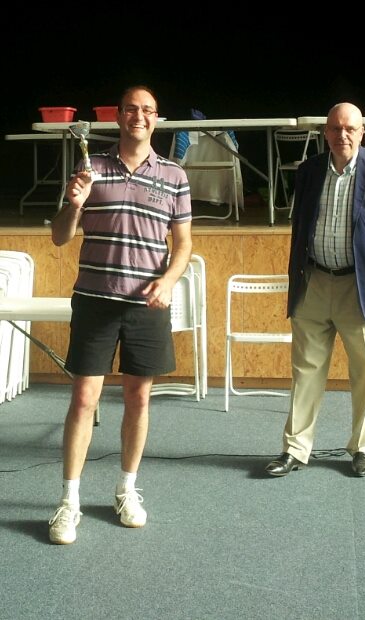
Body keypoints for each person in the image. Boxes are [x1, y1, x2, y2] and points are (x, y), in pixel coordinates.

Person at [48, 85, 192, 544]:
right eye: (131, 109)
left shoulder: (174, 175)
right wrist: (73, 204)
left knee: (139, 400)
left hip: (146, 305)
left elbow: (183, 245)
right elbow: (60, 237)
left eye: (148, 110)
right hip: (94, 300)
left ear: (156, 118)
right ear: (119, 117)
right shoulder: (90, 167)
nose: (139, 116)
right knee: (83, 400)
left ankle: (126, 490)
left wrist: (168, 281)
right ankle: (69, 502)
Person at [266, 102, 365, 478]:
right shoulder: (309, 170)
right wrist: (297, 282)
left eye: (350, 129)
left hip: (361, 287)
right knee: (305, 371)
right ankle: (295, 449)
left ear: (362, 133)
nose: (342, 135)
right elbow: (300, 229)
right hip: (314, 283)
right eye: (335, 128)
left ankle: (363, 447)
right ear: (325, 132)